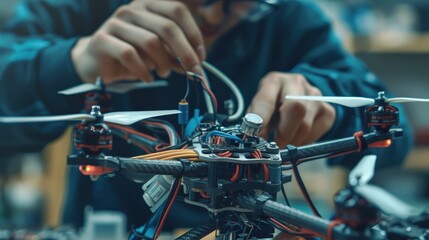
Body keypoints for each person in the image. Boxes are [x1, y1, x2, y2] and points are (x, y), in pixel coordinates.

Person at [0, 0, 413, 234]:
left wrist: (327, 102)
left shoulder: (288, 17)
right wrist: (74, 60)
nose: (213, 17)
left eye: (237, 5)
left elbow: (394, 136)